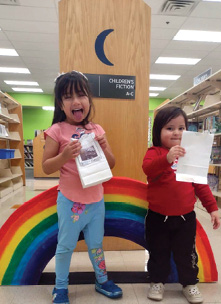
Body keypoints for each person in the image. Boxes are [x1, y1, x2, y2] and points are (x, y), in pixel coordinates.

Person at [42, 71, 122, 304]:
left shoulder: (97, 129)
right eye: (68, 97)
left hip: (96, 200)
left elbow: (112, 164)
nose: (76, 101)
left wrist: (105, 148)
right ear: (60, 103)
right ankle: (60, 287)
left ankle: (102, 279)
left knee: (96, 243)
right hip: (70, 201)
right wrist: (64, 155)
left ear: (89, 99)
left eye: (81, 94)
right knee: (65, 245)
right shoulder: (56, 131)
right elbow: (46, 167)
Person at [142, 106, 220, 304]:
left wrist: (212, 208)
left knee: (186, 254)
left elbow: (200, 184)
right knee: (158, 252)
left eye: (181, 128)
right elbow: (148, 169)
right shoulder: (154, 152)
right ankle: (157, 281)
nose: (176, 132)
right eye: (169, 128)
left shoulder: (190, 154)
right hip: (158, 217)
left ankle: (189, 283)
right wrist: (167, 158)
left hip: (185, 217)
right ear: (158, 131)